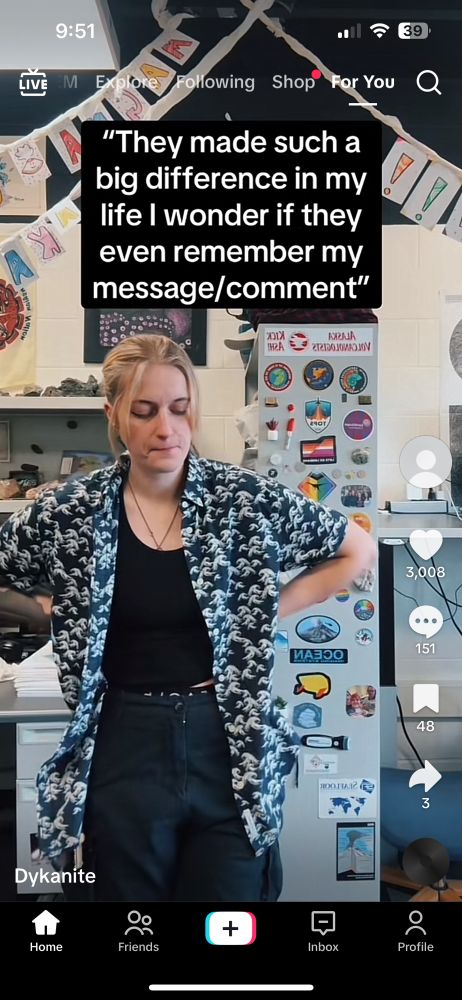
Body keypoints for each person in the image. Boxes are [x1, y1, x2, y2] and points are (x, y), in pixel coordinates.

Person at [0, 333, 376, 902]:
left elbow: (358, 549)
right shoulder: (70, 511)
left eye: (179, 410)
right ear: (114, 414)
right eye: (144, 411)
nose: (165, 429)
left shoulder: (243, 500)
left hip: (228, 741)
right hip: (123, 740)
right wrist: (53, 607)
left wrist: (264, 609)